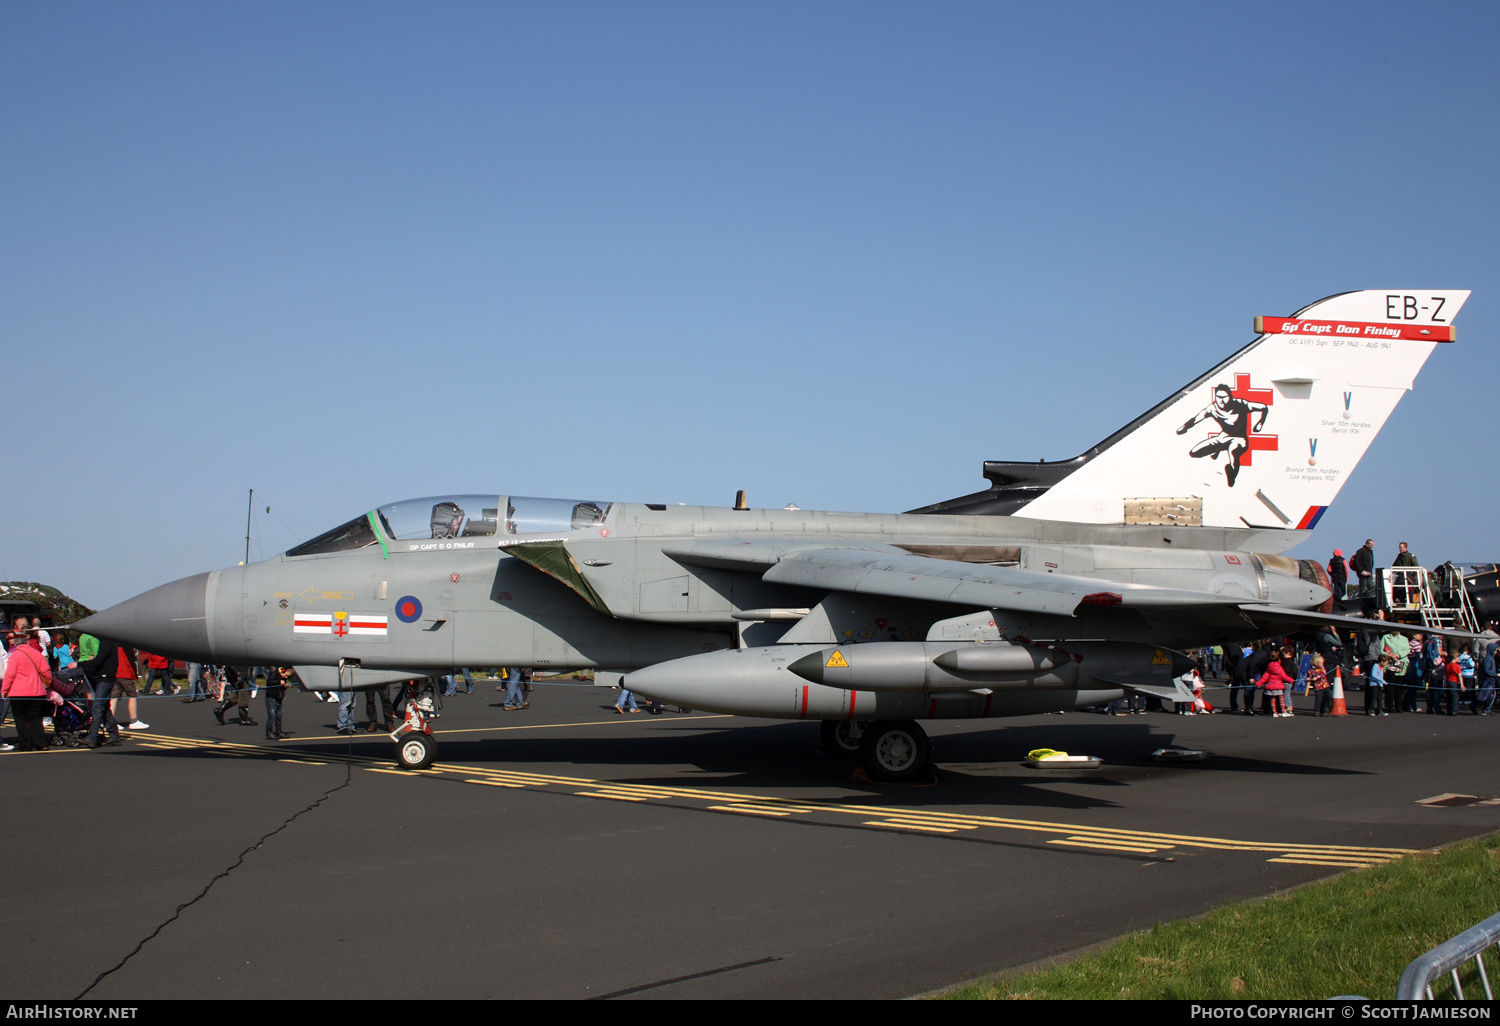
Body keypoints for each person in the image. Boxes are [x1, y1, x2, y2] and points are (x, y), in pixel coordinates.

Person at [2, 628, 53, 751]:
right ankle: (41, 743)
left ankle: (25, 744)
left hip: (19, 692)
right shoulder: (37, 653)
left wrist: (4, 689)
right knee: (35, 718)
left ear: (16, 641)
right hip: (37, 691)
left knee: (20, 719)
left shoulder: (16, 655)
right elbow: (47, 672)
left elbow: (10, 674)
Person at [78, 635, 125, 748]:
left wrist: (79, 664)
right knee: (103, 707)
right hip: (105, 676)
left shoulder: (106, 642)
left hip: (105, 677)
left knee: (97, 707)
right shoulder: (108, 641)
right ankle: (114, 736)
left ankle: (92, 737)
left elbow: (99, 660)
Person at [264, 666, 294, 740]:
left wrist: (285, 686)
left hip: (279, 698)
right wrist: (278, 682)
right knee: (272, 716)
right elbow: (269, 682)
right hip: (272, 698)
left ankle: (279, 731)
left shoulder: (283, 677)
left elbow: (281, 686)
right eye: (286, 675)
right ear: (283, 671)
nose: (286, 677)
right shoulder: (275, 673)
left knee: (279, 716)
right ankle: (269, 732)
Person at [1477, 640, 1498, 716]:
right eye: (1495, 650)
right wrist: (1496, 674)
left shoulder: (1491, 658)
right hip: (1488, 679)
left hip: (1491, 679)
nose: (1496, 652)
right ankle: (1481, 707)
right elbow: (1487, 670)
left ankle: (1487, 709)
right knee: (1486, 695)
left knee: (1490, 695)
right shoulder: (1488, 659)